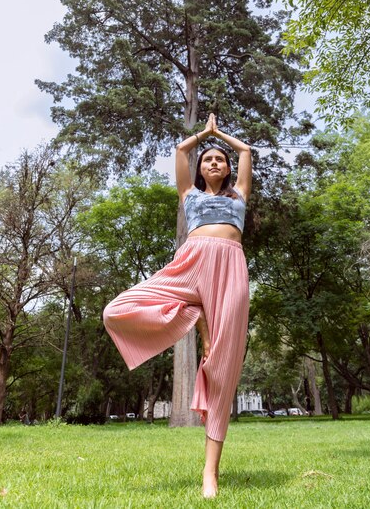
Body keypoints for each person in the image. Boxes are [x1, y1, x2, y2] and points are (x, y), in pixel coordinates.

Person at [103, 113, 252, 498]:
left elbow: (247, 150)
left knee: (223, 367)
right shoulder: (190, 194)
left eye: (220, 158)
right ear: (200, 169)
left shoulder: (239, 195)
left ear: (228, 168)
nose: (214, 161)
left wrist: (223, 137)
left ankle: (210, 474)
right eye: (209, 159)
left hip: (231, 270)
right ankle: (191, 312)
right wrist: (205, 134)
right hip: (190, 263)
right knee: (115, 310)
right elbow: (181, 149)